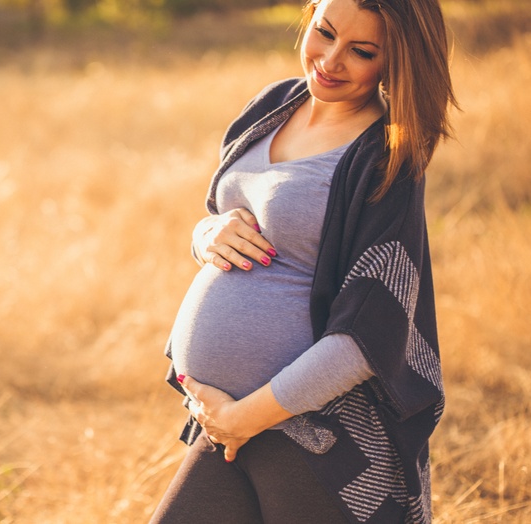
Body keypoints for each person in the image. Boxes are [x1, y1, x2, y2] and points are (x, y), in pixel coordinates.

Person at [152, 0, 457, 522]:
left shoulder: (386, 157)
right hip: (228, 423)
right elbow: (227, 218)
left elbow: (368, 336)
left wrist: (244, 417)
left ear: (395, 62)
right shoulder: (274, 104)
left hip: (314, 433)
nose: (330, 60)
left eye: (361, 51)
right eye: (324, 32)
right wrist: (205, 235)